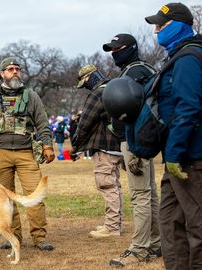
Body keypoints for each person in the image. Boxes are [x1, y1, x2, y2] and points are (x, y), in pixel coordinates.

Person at [144, 3, 202, 269]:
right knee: (170, 222)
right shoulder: (179, 57)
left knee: (201, 226)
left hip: (193, 158)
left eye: (160, 25)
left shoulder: (189, 58)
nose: (156, 31)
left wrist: (174, 153)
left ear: (178, 25)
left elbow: (188, 107)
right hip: (179, 156)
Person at [0, 57, 56, 251]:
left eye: (17, 69)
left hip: (26, 152)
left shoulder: (32, 96)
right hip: (0, 153)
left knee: (34, 195)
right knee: (4, 198)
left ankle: (39, 237)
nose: (15, 72)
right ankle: (13, 236)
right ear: (2, 74)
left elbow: (42, 124)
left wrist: (48, 146)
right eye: (10, 69)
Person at [102, 34, 161, 266]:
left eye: (118, 48)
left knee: (140, 195)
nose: (114, 53)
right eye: (111, 50)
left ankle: (139, 249)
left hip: (136, 139)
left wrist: (131, 145)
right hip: (145, 138)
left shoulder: (134, 73)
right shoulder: (146, 68)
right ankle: (156, 244)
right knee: (150, 193)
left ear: (131, 48)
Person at [70, 64, 123, 238]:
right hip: (118, 146)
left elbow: (85, 123)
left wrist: (75, 145)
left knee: (107, 185)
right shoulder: (114, 87)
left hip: (104, 146)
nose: (85, 86)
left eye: (84, 82)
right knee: (114, 185)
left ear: (89, 77)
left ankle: (112, 227)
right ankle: (114, 223)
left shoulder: (97, 93)